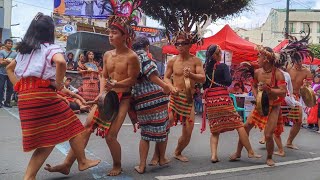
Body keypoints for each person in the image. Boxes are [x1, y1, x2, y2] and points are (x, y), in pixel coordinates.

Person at [5, 13, 100, 180]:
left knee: (48, 138)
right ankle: (82, 161)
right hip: (43, 96)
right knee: (73, 125)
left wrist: (20, 88)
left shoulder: (23, 51)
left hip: (25, 98)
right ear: (50, 31)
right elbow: (61, 62)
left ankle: (29, 176)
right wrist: (59, 84)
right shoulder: (51, 48)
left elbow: (9, 70)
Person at [45, 15, 140, 176]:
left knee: (111, 136)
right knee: (86, 127)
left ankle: (117, 165)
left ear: (125, 36)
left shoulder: (132, 57)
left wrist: (117, 84)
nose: (110, 35)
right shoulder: (107, 55)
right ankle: (68, 164)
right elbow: (103, 75)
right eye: (109, 32)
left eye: (115, 32)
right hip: (107, 96)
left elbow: (132, 80)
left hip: (123, 98)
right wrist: (102, 92)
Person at [202, 44, 261, 163]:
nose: (221, 55)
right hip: (222, 98)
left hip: (211, 100)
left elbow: (204, 85)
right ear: (216, 55)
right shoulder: (223, 66)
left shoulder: (205, 68)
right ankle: (250, 151)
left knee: (215, 130)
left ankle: (213, 155)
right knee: (239, 125)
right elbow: (229, 81)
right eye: (219, 53)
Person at [230, 46, 287, 166]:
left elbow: (283, 92)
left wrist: (269, 90)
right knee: (245, 128)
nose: (257, 59)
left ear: (266, 59)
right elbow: (254, 86)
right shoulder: (257, 72)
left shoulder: (278, 74)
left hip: (274, 107)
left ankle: (269, 157)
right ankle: (238, 152)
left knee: (268, 134)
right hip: (260, 105)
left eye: (259, 56)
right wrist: (257, 97)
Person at [164, 31, 205, 162]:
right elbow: (165, 77)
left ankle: (177, 152)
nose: (180, 46)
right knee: (165, 125)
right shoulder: (172, 61)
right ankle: (159, 154)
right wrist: (171, 87)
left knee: (188, 131)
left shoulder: (196, 61)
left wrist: (192, 75)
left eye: (183, 43)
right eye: (178, 44)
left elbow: (203, 78)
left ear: (189, 45)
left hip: (188, 99)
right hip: (174, 98)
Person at [131, 37, 171, 174]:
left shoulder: (130, 57)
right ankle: (162, 158)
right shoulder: (143, 56)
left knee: (145, 133)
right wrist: (165, 86)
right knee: (163, 128)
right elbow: (152, 75)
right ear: (147, 46)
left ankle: (142, 166)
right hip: (155, 98)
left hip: (140, 100)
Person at [286, 53, 313, 150]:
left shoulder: (307, 71)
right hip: (285, 95)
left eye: (301, 59)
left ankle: (289, 142)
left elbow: (308, 87)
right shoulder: (288, 68)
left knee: (298, 121)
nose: (299, 62)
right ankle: (265, 136)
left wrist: (305, 86)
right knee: (274, 116)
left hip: (296, 98)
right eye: (297, 60)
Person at [0, 39, 17, 108]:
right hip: (2, 72)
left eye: (11, 43)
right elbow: (1, 62)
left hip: (11, 73)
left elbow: (16, 63)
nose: (10, 45)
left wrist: (6, 60)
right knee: (1, 88)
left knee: (10, 88)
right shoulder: (1, 52)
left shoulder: (15, 54)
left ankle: (7, 102)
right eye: (9, 43)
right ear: (5, 44)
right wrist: (11, 61)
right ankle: (0, 102)